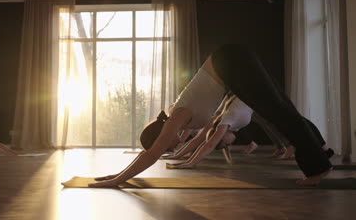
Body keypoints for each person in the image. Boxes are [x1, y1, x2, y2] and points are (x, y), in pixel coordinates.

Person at [89, 44, 332, 187]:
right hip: (230, 66)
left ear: (162, 136)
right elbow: (191, 143)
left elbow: (151, 154)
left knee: (278, 111)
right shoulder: (181, 120)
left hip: (229, 62)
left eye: (166, 146)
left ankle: (316, 167)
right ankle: (317, 160)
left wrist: (115, 181)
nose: (170, 148)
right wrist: (118, 174)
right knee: (280, 108)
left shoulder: (178, 116)